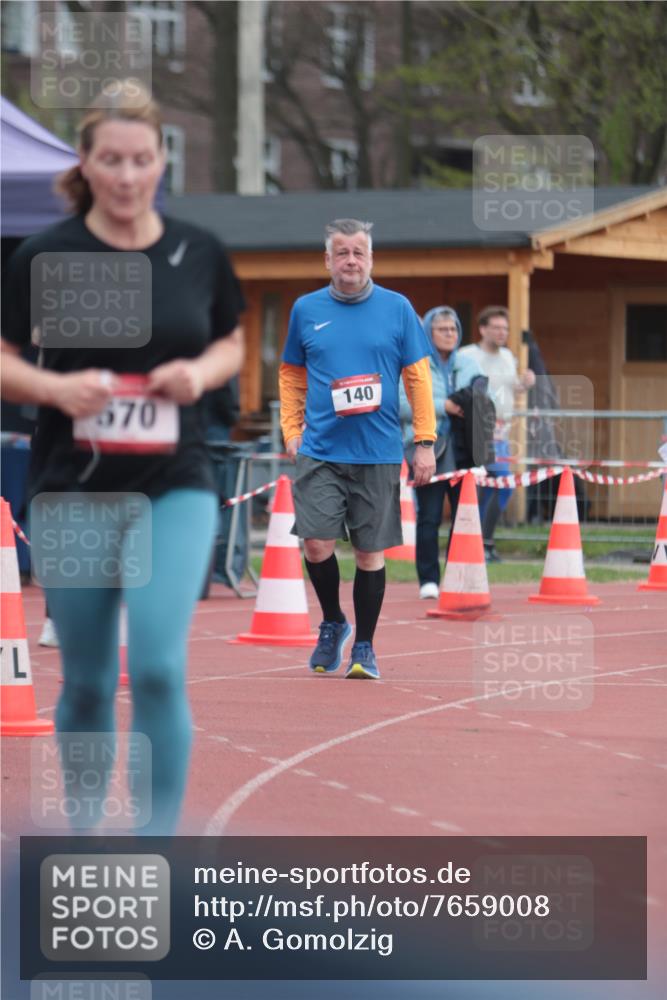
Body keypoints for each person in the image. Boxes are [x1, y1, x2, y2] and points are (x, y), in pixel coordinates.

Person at [0, 81, 245, 834]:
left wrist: (197, 374)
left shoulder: (197, 251)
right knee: (86, 681)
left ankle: (156, 847)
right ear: (85, 161)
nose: (128, 176)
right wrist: (57, 388)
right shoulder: (47, 254)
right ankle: (83, 836)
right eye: (112, 160)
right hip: (73, 488)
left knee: (159, 668)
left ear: (162, 160)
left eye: (142, 160)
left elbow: (231, 343)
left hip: (175, 481)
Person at [279, 219, 436, 680]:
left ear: (371, 259)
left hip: (377, 451)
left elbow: (419, 379)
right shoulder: (306, 309)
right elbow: (291, 374)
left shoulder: (397, 308)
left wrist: (425, 442)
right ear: (328, 260)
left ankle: (364, 646)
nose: (351, 261)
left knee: (370, 553)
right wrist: (291, 429)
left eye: (359, 252)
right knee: (315, 543)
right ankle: (333, 621)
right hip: (321, 448)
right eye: (342, 253)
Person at [399, 307, 485, 598]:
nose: (450, 334)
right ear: (428, 332)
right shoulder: (414, 362)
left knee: (465, 516)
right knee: (430, 515)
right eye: (442, 329)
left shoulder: (469, 363)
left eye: (454, 328)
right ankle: (428, 580)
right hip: (428, 448)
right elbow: (402, 405)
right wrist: (444, 406)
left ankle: (457, 576)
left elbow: (483, 398)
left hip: (465, 448)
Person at [459, 306, 535, 562]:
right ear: (483, 329)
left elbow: (512, 389)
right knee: (498, 482)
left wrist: (525, 383)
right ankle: (480, 542)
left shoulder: (508, 357)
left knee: (497, 486)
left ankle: (482, 542)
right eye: (496, 328)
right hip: (476, 429)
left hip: (502, 431)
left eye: (505, 328)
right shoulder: (467, 356)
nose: (502, 332)